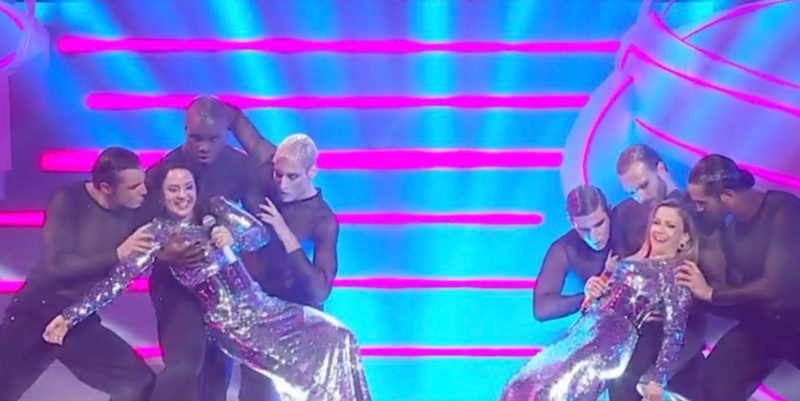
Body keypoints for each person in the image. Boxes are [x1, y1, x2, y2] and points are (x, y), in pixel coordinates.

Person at [42, 162, 371, 401]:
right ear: (162, 196)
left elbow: (258, 235)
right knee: (295, 373)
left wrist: (232, 235)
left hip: (263, 307)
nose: (182, 195)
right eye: (174, 189)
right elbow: (115, 283)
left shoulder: (215, 212)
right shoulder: (157, 234)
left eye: (188, 187)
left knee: (339, 336)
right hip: (232, 324)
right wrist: (68, 317)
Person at [500, 199, 700, 401]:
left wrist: (658, 378)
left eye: (670, 225)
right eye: (657, 222)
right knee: (527, 384)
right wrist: (592, 293)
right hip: (585, 335)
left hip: (615, 348)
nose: (660, 230)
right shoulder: (626, 263)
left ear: (684, 238)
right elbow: (599, 306)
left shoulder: (675, 276)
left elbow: (674, 332)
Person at [0, 147, 155, 401]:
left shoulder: (136, 208)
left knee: (139, 382)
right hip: (35, 313)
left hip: (77, 320)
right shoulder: (67, 200)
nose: (144, 191)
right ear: (106, 188)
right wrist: (117, 254)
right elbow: (57, 265)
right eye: (133, 186)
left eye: (143, 182)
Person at [143, 97, 265, 401]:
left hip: (223, 285)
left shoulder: (241, 166)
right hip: (175, 283)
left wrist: (233, 240)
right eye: (196, 138)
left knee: (217, 378)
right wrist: (162, 252)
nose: (204, 147)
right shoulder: (166, 169)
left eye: (213, 138)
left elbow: (259, 227)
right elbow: (138, 224)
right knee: (184, 367)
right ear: (185, 130)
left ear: (227, 132)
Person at [678, 154, 800, 401]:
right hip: (764, 325)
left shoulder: (782, 211)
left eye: (702, 203)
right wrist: (693, 292)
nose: (699, 209)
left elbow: (776, 286)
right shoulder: (732, 229)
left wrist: (711, 294)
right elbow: (741, 296)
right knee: (713, 380)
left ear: (727, 196)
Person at [607, 144, 708, 401]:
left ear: (660, 170)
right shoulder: (626, 215)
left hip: (683, 324)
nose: (640, 197)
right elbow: (624, 268)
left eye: (643, 185)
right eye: (632, 191)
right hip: (642, 323)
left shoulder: (697, 212)